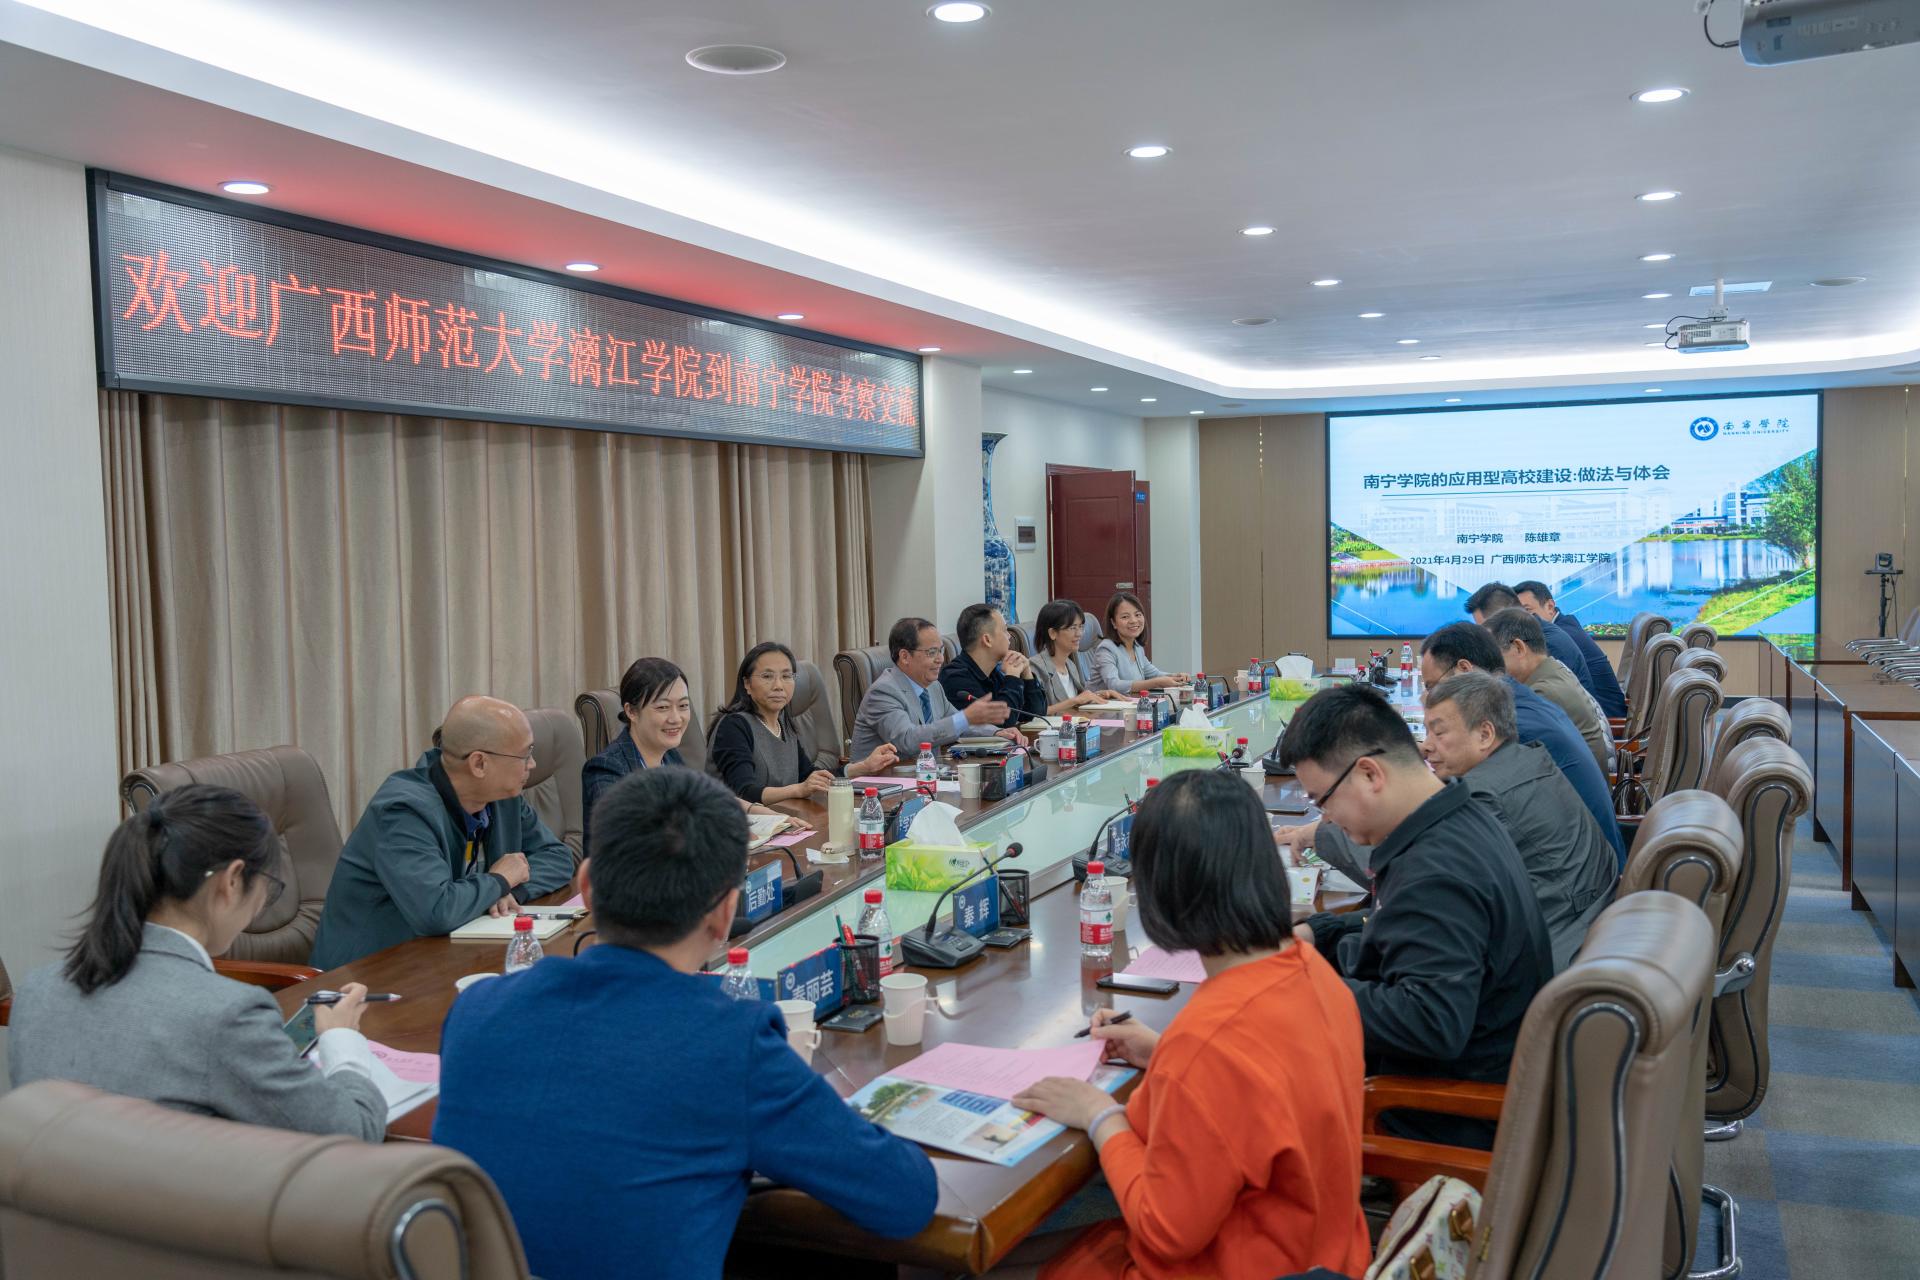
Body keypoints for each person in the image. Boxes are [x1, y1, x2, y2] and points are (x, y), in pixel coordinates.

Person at [432, 767, 938, 1280]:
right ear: (726, 914)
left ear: (587, 886)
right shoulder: (731, 1043)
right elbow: (905, 1197)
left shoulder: (476, 1011)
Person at [1008, 770, 1372, 1280]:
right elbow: (1264, 1086)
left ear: (1164, 892)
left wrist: (1098, 1115)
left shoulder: (1208, 1041)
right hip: (1325, 1253)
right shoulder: (1314, 972)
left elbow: (1166, 1230)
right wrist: (1164, 1052)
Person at [9, 785, 386, 1141]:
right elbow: (354, 1132)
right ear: (232, 880)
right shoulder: (228, 1014)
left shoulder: (37, 991)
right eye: (268, 886)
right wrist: (342, 1040)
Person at [1276, 684, 1553, 1150]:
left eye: (1323, 800)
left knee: (1254, 1073)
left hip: (1442, 1113)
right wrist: (1317, 933)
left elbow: (1430, 1020)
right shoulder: (1455, 814)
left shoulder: (1436, 870)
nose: (1326, 817)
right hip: (1471, 1072)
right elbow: (1398, 927)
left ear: (1369, 773)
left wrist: (1299, 989)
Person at [310, 695, 575, 969]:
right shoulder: (403, 811)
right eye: (525, 754)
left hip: (438, 955)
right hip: (364, 973)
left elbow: (558, 857)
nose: (532, 764)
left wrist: (506, 894)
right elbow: (436, 911)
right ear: (479, 764)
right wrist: (499, 880)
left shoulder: (501, 796)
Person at [1419, 622, 1626, 864]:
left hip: (1583, 871)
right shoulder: (1518, 699)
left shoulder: (1516, 728)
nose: (1428, 696)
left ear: (1465, 669)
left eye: (1431, 686)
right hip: (1585, 863)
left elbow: (1468, 811)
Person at [583, 657, 801, 854]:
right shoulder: (606, 768)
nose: (676, 718)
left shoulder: (669, 757)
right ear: (631, 711)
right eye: (663, 708)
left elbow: (707, 796)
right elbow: (628, 842)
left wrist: (764, 814)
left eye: (683, 706)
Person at [709, 641, 898, 803]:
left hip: (784, 821)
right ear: (747, 684)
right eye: (767, 676)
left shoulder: (783, 723)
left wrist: (863, 767)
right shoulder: (733, 726)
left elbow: (809, 776)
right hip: (741, 827)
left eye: (786, 676)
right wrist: (799, 789)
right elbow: (744, 792)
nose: (778, 686)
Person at [850, 616, 1018, 760]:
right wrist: (966, 717)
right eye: (932, 652)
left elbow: (959, 724)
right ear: (905, 656)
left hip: (924, 776)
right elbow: (907, 740)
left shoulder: (933, 687)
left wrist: (995, 733)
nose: (940, 659)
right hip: (882, 782)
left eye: (941, 651)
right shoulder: (883, 692)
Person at [1484, 607, 1614, 776]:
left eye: (1494, 656)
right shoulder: (1555, 669)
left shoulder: (1542, 693)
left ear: (1518, 648)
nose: (1490, 668)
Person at [1513, 579, 1628, 718]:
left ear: (1550, 606)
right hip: (1596, 714)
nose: (1520, 619)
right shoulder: (1563, 626)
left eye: (1527, 611)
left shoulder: (1554, 639)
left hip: (1607, 719)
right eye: (1516, 613)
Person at [1464, 582, 1598, 700]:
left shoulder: (1546, 643)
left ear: (1506, 615)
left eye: (1486, 628)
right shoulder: (1535, 631)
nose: (1485, 637)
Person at [941, 603, 1048, 729]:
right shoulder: (956, 678)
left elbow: (1036, 714)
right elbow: (1002, 722)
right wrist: (1012, 677)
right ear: (987, 640)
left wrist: (1027, 674)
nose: (1009, 636)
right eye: (1005, 630)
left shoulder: (993, 673)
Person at [1028, 599, 1119, 715]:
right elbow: (1034, 714)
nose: (1079, 634)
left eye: (1081, 627)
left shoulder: (1070, 665)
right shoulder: (1034, 668)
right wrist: (1074, 701)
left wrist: (1099, 695)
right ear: (1053, 633)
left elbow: (1078, 701)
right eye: (1072, 628)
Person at [1089, 592, 1190, 695]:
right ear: (1113, 623)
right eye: (1125, 617)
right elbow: (1114, 685)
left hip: (1129, 702)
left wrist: (1177, 676)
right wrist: (1156, 683)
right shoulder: (1106, 649)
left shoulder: (1137, 647)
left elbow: (1154, 674)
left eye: (1137, 615)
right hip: (1101, 704)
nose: (1133, 620)